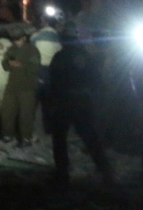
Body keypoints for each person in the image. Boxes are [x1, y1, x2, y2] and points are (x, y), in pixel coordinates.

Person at [48, 23, 113, 186]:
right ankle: (106, 170)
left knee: (60, 139)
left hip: (65, 102)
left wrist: (53, 101)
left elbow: (54, 81)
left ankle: (62, 173)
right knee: (90, 137)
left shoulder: (59, 57)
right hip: (82, 101)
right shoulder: (85, 56)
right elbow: (96, 79)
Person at [0, 28, 41, 145]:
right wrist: (9, 63)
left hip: (27, 86)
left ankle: (26, 138)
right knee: (7, 111)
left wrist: (22, 65)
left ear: (24, 38)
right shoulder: (11, 49)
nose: (16, 41)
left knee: (26, 113)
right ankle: (8, 135)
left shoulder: (32, 50)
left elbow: (36, 68)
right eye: (14, 39)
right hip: (12, 85)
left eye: (17, 39)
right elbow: (4, 63)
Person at [31, 12, 63, 133]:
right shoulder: (57, 37)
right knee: (48, 102)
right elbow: (59, 52)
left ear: (44, 23)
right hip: (51, 71)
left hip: (38, 69)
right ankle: (48, 128)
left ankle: (29, 127)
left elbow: (31, 46)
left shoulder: (36, 36)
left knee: (34, 100)